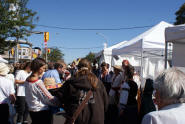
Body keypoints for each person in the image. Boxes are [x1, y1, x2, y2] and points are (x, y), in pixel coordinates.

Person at [55, 58, 108, 124]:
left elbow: (59, 98)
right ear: (90, 68)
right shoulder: (98, 82)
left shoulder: (71, 82)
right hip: (97, 118)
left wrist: (69, 108)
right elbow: (105, 103)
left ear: (78, 68)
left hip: (77, 119)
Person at [25, 58, 59, 124]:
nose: (44, 70)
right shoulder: (38, 82)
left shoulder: (27, 79)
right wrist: (58, 102)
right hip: (42, 110)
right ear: (39, 68)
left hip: (31, 109)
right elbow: (48, 97)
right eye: (43, 68)